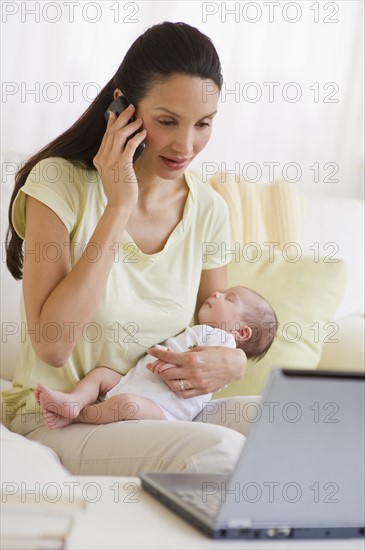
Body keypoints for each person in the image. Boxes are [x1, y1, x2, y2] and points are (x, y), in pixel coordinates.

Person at [3, 22, 266, 476]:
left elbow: (219, 326)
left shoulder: (209, 209)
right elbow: (53, 346)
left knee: (304, 424)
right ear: (124, 108)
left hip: (160, 409)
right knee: (218, 451)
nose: (186, 145)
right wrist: (118, 204)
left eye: (203, 124)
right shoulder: (58, 183)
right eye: (167, 121)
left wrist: (234, 362)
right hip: (64, 415)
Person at [34, 286, 278, 427]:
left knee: (126, 404)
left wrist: (172, 360)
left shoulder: (222, 342)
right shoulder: (199, 330)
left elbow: (193, 362)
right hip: (137, 380)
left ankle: (80, 415)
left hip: (164, 410)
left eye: (229, 298)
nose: (216, 293)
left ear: (242, 332)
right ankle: (73, 401)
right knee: (102, 375)